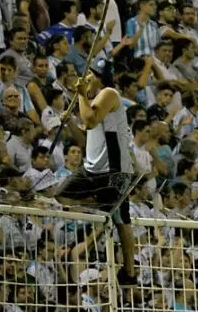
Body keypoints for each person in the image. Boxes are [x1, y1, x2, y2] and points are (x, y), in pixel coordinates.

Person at [57, 59, 137, 286]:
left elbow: (90, 121)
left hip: (114, 169)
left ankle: (129, 270)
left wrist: (81, 95)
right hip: (93, 168)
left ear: (98, 76)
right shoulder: (94, 102)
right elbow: (85, 138)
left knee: (122, 219)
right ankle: (102, 209)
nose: (86, 78)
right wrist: (71, 123)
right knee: (61, 194)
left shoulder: (109, 93)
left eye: (90, 74)